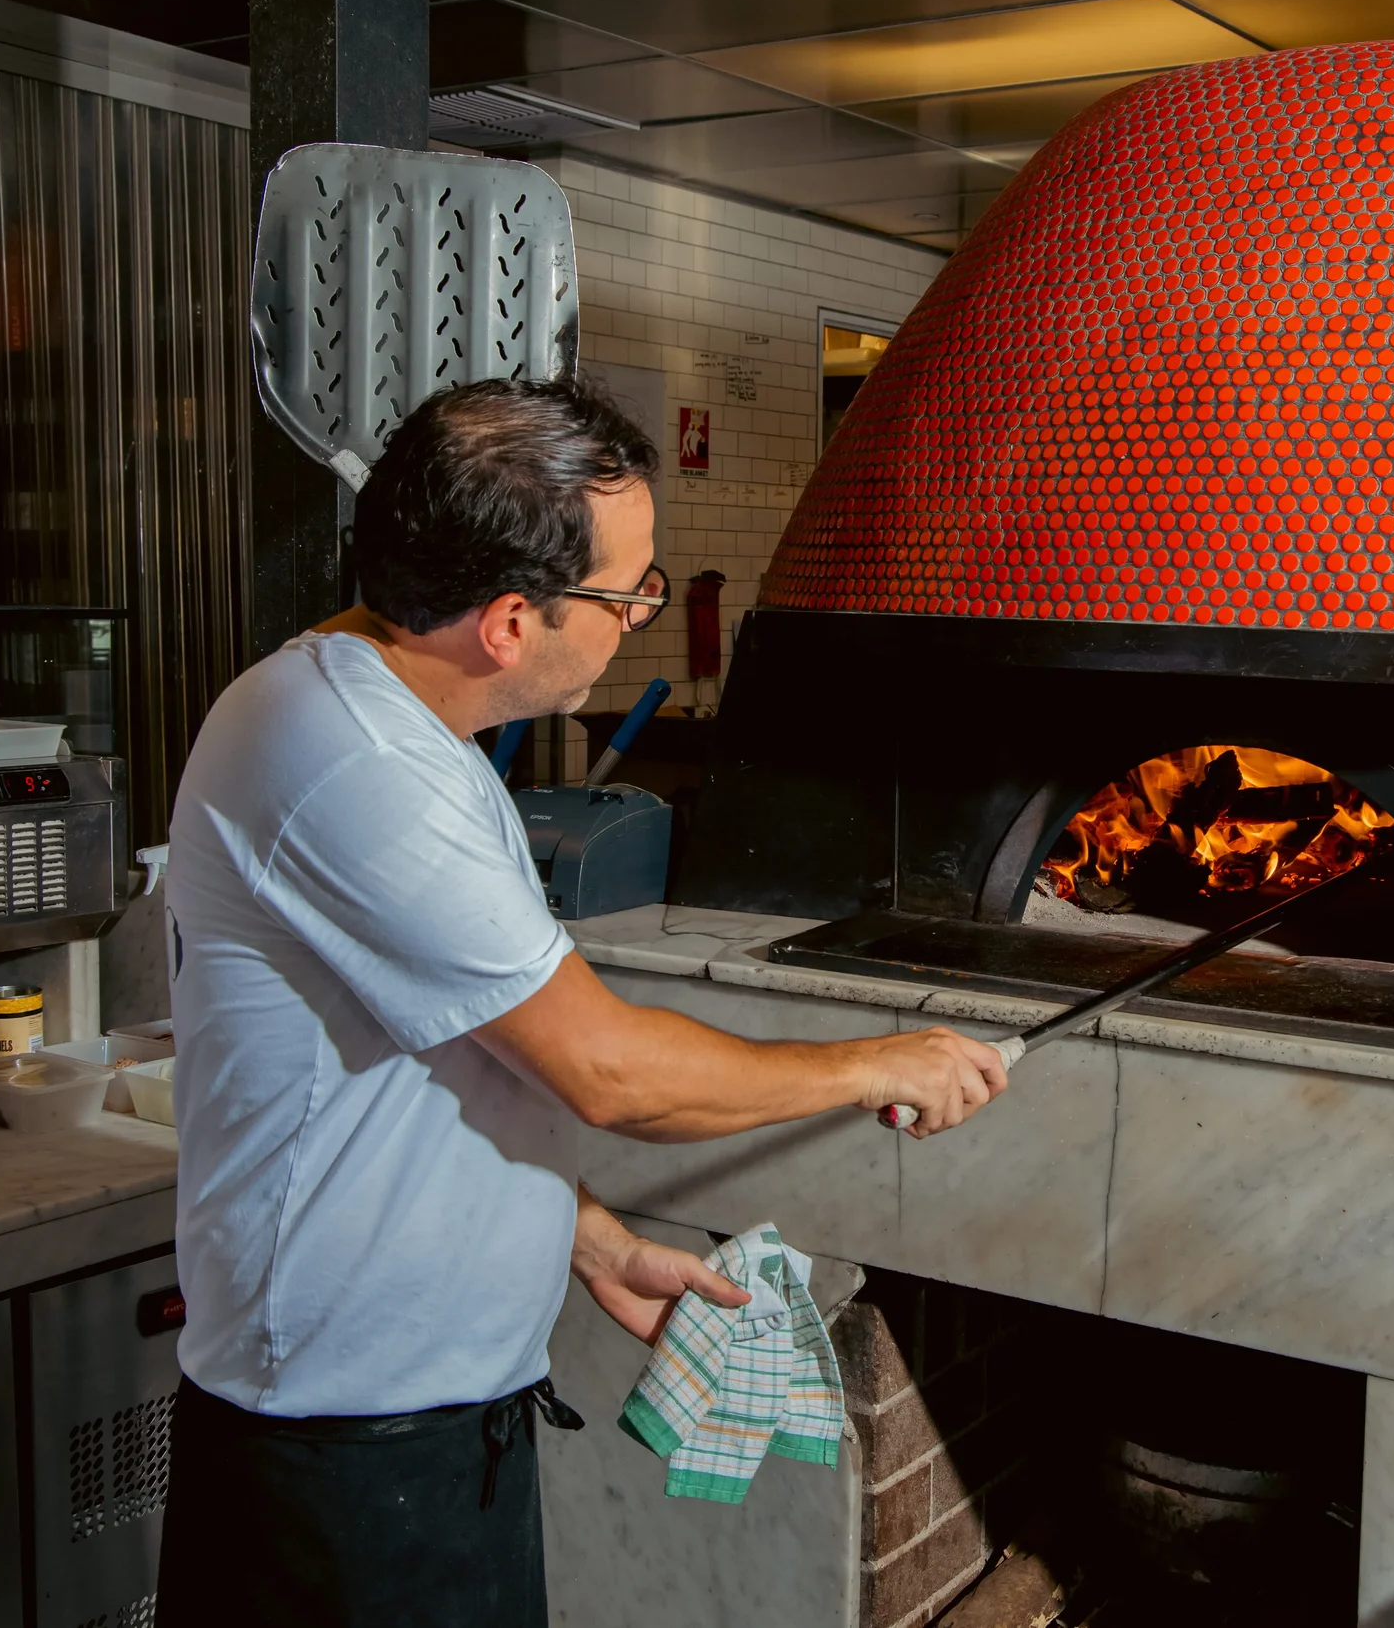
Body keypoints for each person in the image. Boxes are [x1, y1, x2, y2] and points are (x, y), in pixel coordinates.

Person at [153, 378, 1007, 1626]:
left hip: (433, 1426)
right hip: (345, 1460)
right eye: (627, 596)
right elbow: (612, 1074)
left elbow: (433, 1069)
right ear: (509, 620)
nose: (636, 620)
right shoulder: (354, 761)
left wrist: (585, 1230)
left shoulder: (403, 728)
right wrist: (884, 1060)